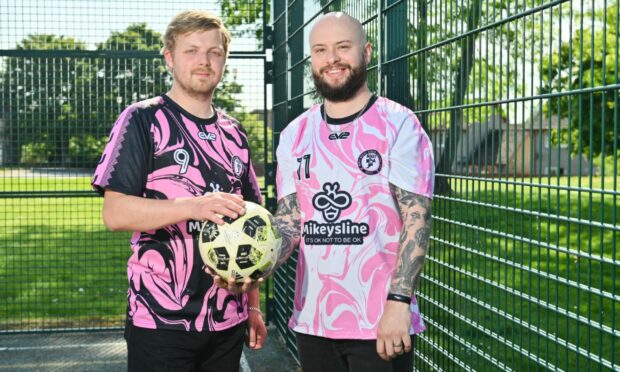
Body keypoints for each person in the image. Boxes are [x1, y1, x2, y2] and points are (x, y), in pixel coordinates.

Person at [91, 10, 266, 372]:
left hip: (226, 320)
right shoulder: (142, 119)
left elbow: (254, 229)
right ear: (169, 58)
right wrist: (193, 206)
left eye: (214, 52)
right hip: (159, 322)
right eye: (191, 50)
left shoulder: (235, 134)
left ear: (224, 61)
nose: (204, 61)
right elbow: (116, 213)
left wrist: (252, 306)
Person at [273, 11, 435, 372]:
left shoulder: (399, 124)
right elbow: (289, 222)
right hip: (313, 318)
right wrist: (255, 263)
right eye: (320, 50)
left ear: (367, 52)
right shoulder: (294, 135)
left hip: (380, 321)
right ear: (311, 59)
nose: (331, 59)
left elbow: (416, 219)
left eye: (343, 47)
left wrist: (398, 303)